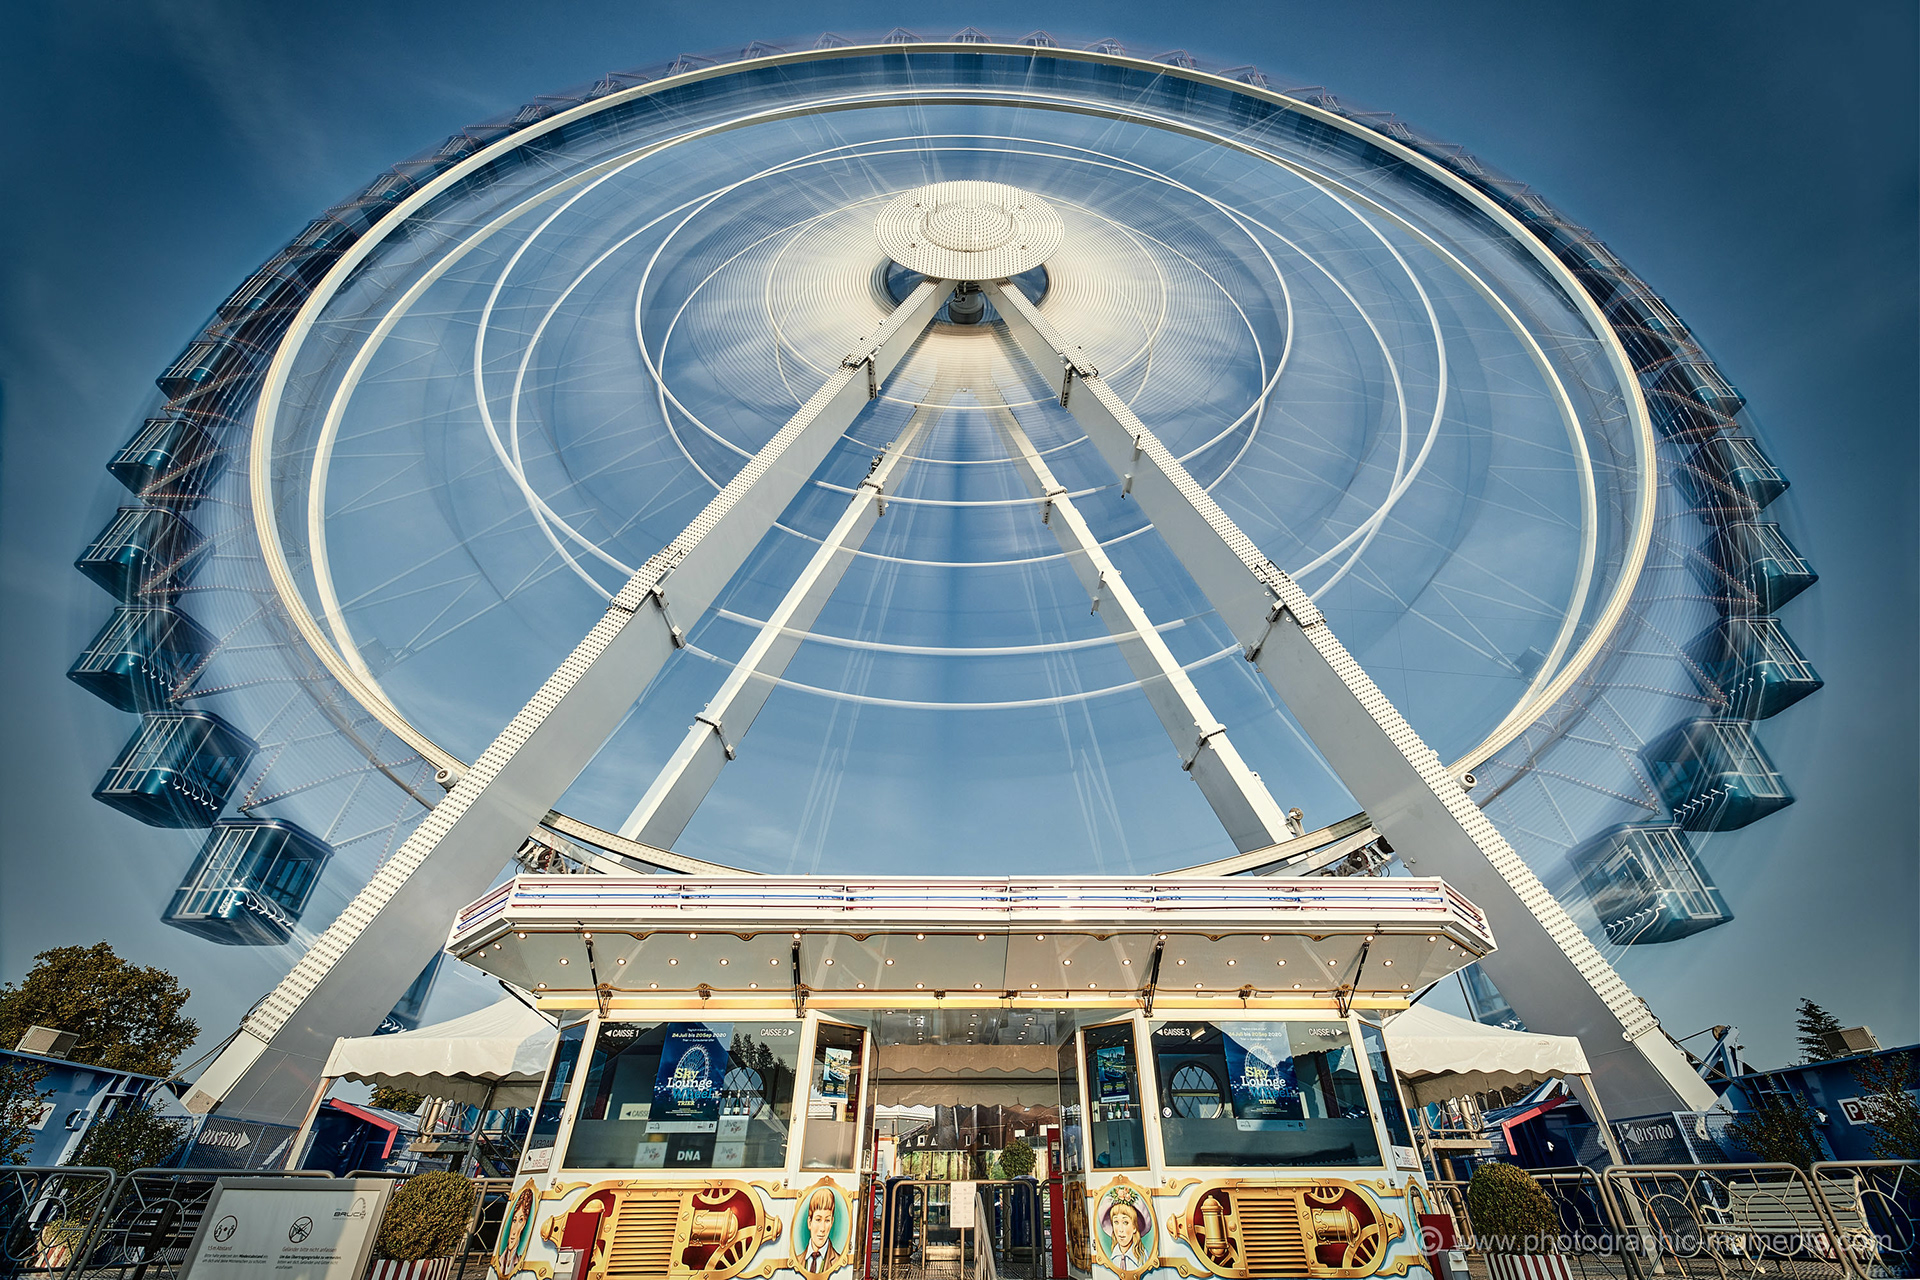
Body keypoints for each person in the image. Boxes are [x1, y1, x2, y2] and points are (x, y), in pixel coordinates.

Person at [797, 1187, 843, 1275]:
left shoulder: (838, 1261)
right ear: (809, 1222)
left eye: (827, 1220)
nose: (822, 1229)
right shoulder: (798, 1260)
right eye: (818, 1220)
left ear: (832, 1222)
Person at [1105, 1192, 1148, 1271]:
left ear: (1134, 1227)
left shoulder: (1143, 1257)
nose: (1120, 1229)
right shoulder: (1111, 1257)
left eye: (1125, 1222)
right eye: (1116, 1222)